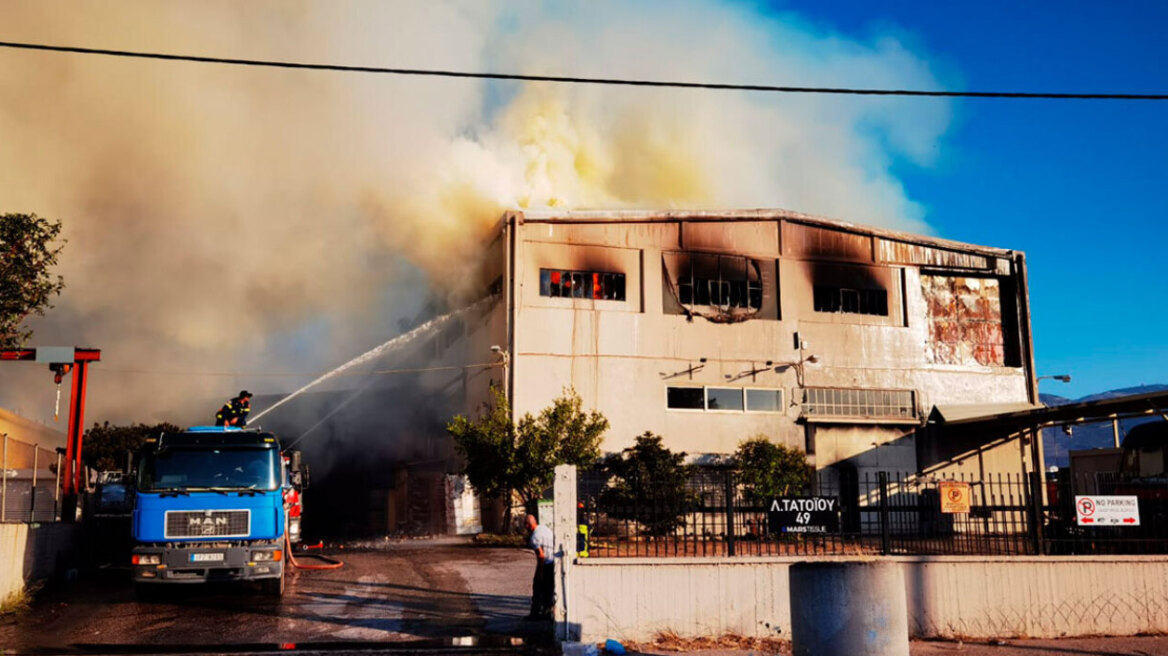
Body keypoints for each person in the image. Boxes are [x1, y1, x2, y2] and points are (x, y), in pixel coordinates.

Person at [524, 513, 555, 621]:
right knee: (549, 590)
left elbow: (541, 556)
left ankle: (535, 614)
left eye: (525, 525)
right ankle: (547, 612)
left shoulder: (534, 537)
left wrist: (539, 572)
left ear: (528, 525)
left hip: (546, 564)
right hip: (554, 561)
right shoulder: (544, 528)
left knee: (537, 588)